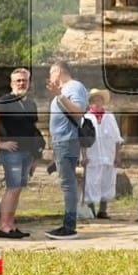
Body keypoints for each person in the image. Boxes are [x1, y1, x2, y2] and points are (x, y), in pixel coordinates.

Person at [0, 65, 44, 240]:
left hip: (27, 153)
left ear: (29, 83)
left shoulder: (30, 104)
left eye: (24, 80)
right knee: (13, 188)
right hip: (12, 152)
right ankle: (4, 226)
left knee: (17, 189)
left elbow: (32, 130)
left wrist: (35, 157)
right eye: (18, 80)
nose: (21, 83)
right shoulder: (6, 100)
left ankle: (11, 224)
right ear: (11, 83)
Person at [44, 58, 91, 239]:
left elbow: (79, 111)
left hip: (67, 140)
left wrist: (60, 95)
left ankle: (69, 226)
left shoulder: (74, 87)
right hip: (61, 141)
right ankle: (67, 224)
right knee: (67, 183)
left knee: (68, 184)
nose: (50, 77)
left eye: (51, 73)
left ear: (58, 71)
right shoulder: (63, 91)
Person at [81, 89, 123, 219]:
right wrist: (83, 156)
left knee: (107, 182)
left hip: (108, 156)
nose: (97, 103)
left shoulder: (110, 117)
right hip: (92, 157)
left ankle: (103, 210)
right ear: (90, 103)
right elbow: (82, 140)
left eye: (99, 100)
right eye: (94, 101)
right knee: (91, 183)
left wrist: (117, 156)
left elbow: (117, 138)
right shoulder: (86, 118)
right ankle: (91, 209)